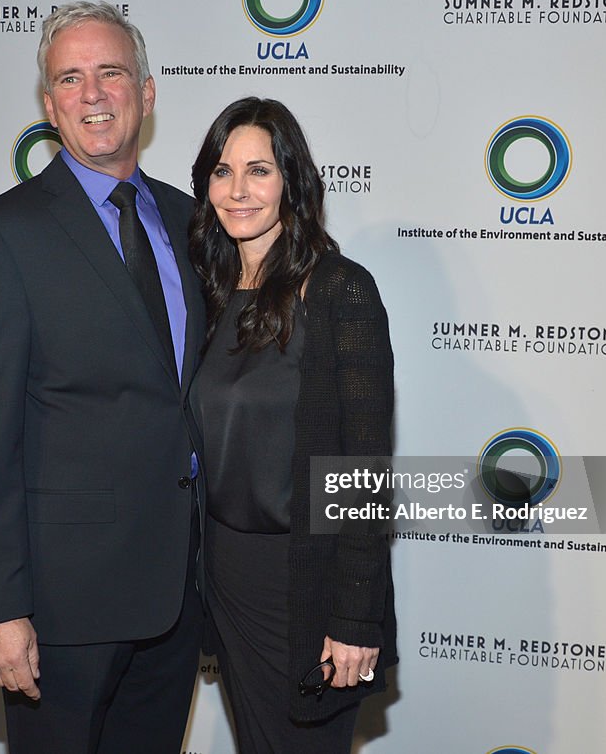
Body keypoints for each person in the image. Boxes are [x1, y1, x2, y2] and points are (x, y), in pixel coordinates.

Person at [0, 2, 205, 753]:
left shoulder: (197, 224)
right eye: (70, 78)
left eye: (111, 73)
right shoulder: (1, 233)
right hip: (59, 612)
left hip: (177, 596)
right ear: (50, 103)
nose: (93, 94)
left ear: (147, 92)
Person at [189, 97, 397, 753]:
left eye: (260, 170)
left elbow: (363, 473)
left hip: (300, 587)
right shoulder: (210, 292)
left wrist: (355, 617)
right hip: (224, 581)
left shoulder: (340, 291)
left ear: (293, 182)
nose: (239, 190)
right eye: (223, 171)